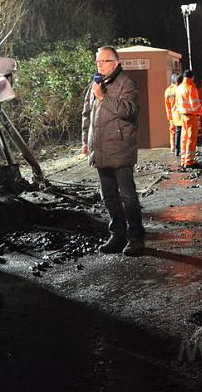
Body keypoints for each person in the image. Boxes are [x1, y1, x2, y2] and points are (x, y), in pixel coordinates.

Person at [81, 46, 145, 256]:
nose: (98, 65)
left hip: (120, 147)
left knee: (127, 196)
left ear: (115, 63)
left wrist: (102, 97)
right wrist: (86, 141)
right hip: (99, 148)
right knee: (108, 196)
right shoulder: (96, 83)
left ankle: (136, 238)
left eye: (103, 61)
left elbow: (129, 111)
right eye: (97, 61)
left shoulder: (126, 83)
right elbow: (86, 114)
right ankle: (117, 235)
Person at [175, 70, 202, 168]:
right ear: (192, 77)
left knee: (184, 137)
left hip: (182, 115)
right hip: (191, 116)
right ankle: (189, 161)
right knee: (191, 137)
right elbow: (195, 105)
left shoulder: (179, 88)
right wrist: (200, 111)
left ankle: (183, 159)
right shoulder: (191, 88)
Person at [164, 74, 181, 155]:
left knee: (172, 131)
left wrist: (169, 116)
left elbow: (167, 105)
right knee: (180, 131)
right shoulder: (179, 89)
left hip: (171, 114)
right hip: (179, 114)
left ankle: (172, 147)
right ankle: (180, 148)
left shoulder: (167, 91)